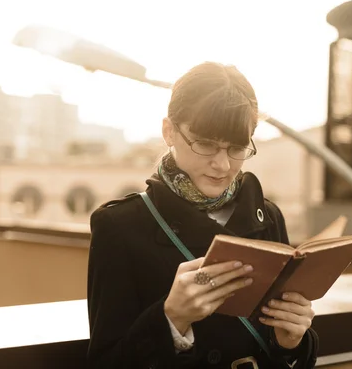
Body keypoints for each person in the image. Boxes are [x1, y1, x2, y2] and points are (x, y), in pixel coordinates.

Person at [86, 62, 319, 368]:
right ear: (169, 131)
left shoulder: (268, 217)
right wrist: (171, 318)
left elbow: (278, 350)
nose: (222, 165)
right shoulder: (119, 227)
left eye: (236, 148)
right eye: (206, 144)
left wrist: (291, 342)